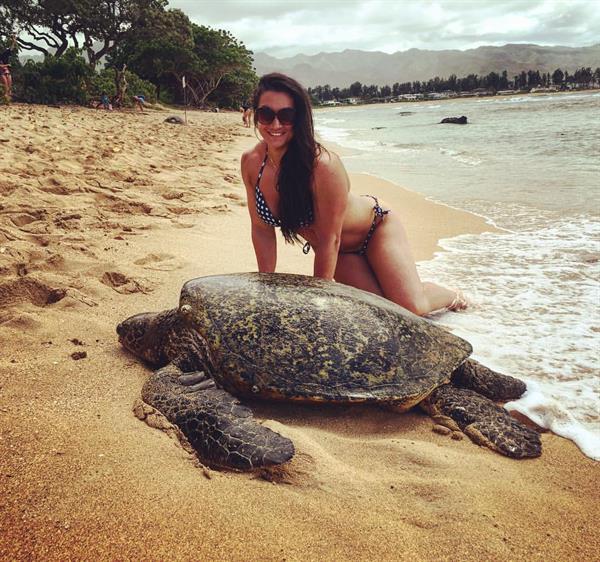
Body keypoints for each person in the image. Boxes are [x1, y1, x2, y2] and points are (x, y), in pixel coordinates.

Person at [240, 73, 468, 316]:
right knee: (382, 312)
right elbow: (261, 229)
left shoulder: (322, 166)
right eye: (266, 114)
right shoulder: (252, 163)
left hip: (375, 229)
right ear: (255, 115)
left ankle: (449, 295)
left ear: (299, 119)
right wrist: (265, 289)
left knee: (411, 308)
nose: (275, 125)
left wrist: (319, 302)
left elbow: (330, 239)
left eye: (286, 115)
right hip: (340, 251)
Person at [0, 35, 17, 103]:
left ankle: (8, 99)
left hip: (6, 70)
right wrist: (7, 65)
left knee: (9, 84)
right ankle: (5, 98)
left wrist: (14, 41)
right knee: (5, 84)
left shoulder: (5, 53)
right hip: (1, 71)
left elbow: (11, 48)